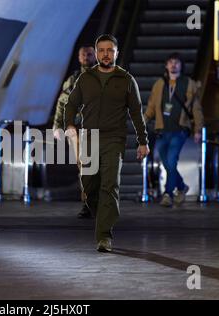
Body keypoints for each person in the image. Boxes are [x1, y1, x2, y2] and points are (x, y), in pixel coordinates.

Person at [64, 34, 149, 252]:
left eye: (110, 50)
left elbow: (137, 113)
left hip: (114, 139)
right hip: (89, 138)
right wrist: (70, 125)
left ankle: (104, 235)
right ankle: (103, 215)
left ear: (116, 53)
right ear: (96, 52)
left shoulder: (127, 80)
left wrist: (143, 141)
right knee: (90, 186)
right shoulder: (85, 79)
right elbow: (71, 105)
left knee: (109, 185)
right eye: (101, 50)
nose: (105, 54)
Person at [144, 52, 204, 207]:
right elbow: (151, 106)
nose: (173, 65)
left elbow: (196, 109)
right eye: (170, 62)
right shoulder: (159, 84)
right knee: (168, 163)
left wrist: (198, 129)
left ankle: (167, 194)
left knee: (171, 160)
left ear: (181, 65)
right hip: (162, 130)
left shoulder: (188, 83)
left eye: (176, 62)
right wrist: (142, 121)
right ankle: (182, 187)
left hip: (180, 129)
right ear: (166, 65)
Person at [52, 46, 96, 219]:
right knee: (84, 168)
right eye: (83, 54)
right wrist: (57, 126)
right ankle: (88, 204)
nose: (86, 57)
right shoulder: (73, 79)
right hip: (78, 129)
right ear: (79, 58)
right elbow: (62, 102)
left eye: (90, 54)